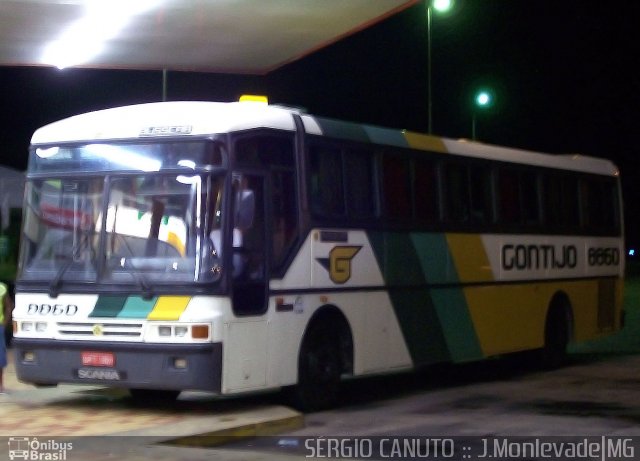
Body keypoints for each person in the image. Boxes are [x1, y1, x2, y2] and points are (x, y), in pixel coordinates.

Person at [0, 281, 13, 394]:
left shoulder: (1, 288)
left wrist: (4, 324)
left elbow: (9, 306)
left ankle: (0, 386)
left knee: (0, 357)